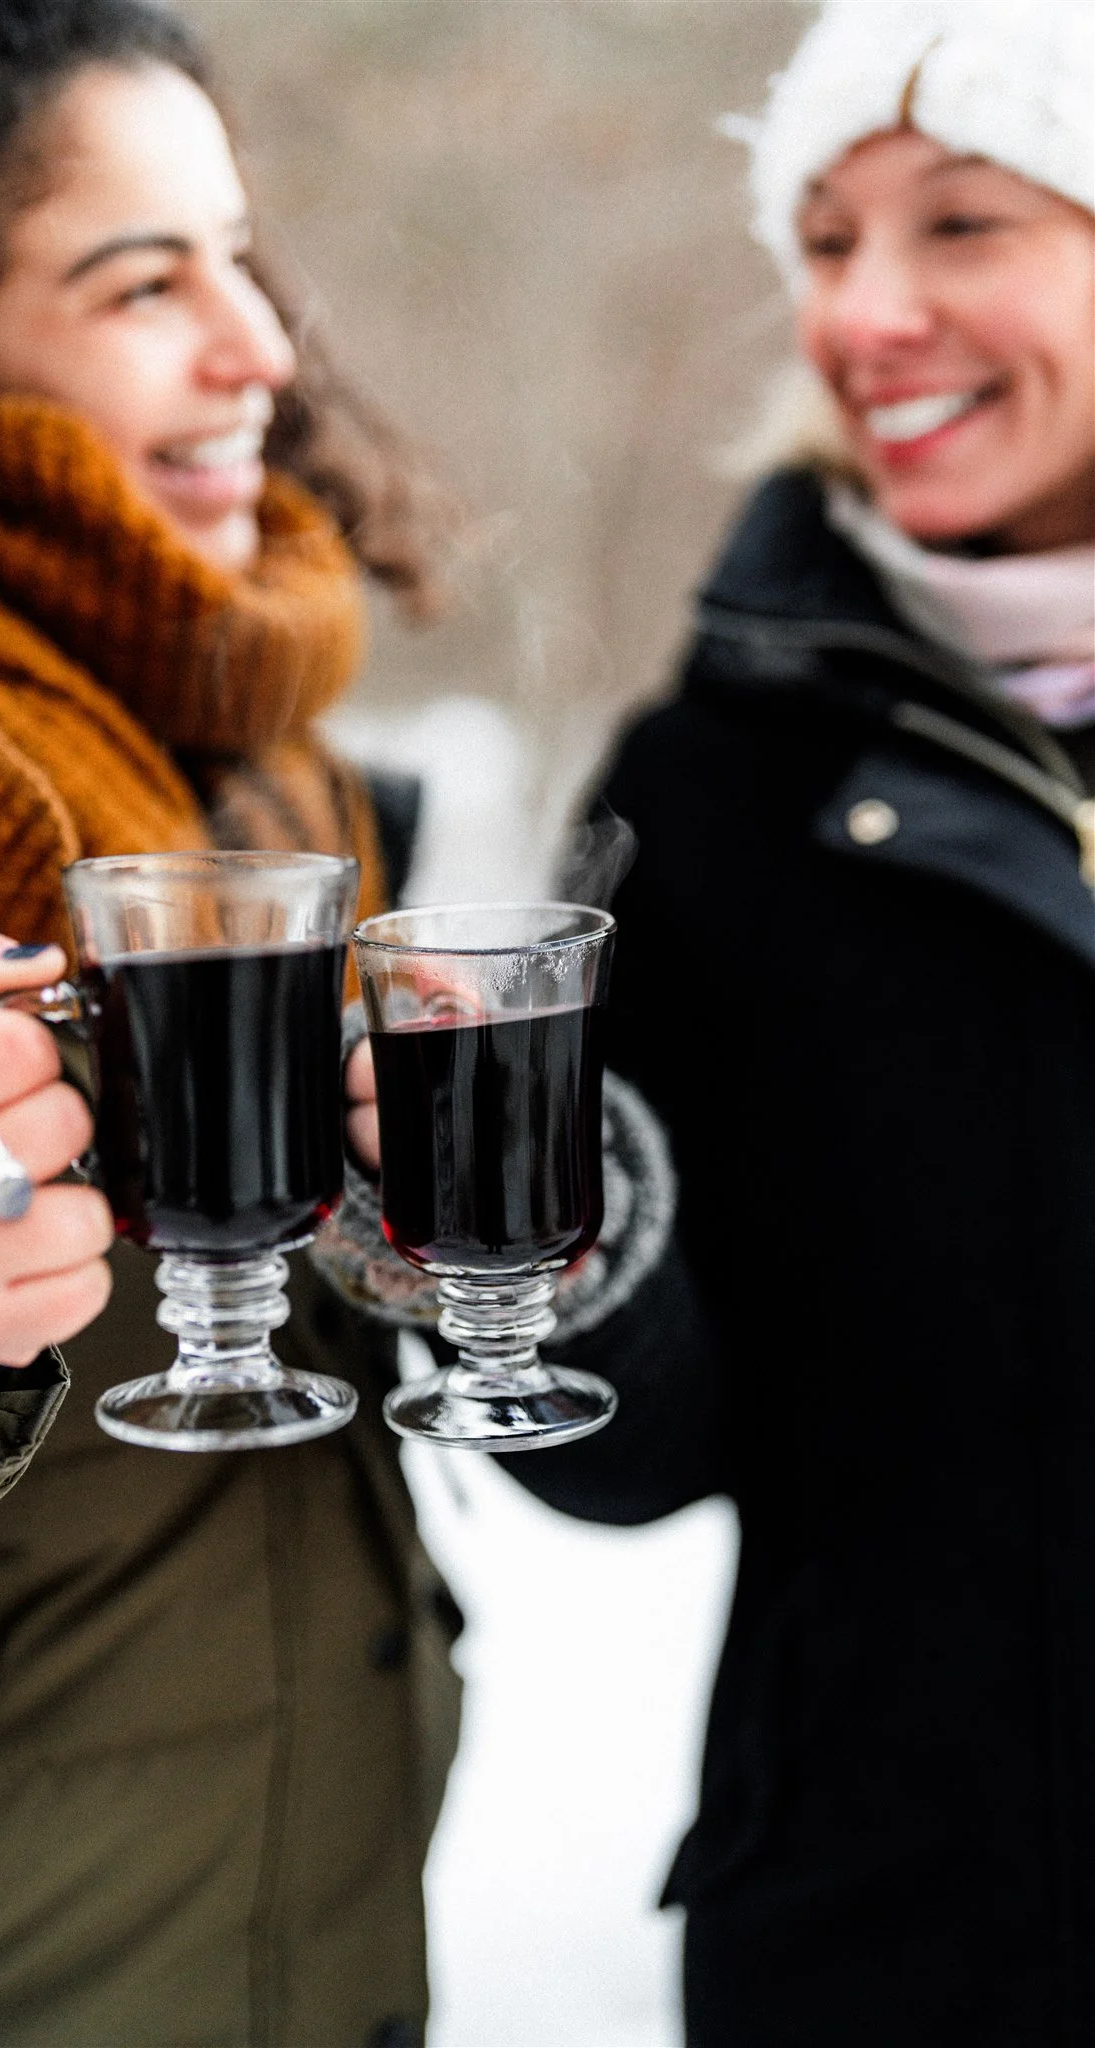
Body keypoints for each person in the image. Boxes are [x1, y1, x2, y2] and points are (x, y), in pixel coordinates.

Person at [348, 0, 1094, 2040]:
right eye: (828, 243)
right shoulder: (714, 782)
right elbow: (640, 1455)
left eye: (960, 225)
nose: (869, 313)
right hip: (893, 1938)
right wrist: (558, 1235)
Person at [0, 5, 461, 2043]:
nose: (262, 349)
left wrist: (534, 1207)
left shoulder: (291, 776)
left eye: (241, 259)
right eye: (145, 281)